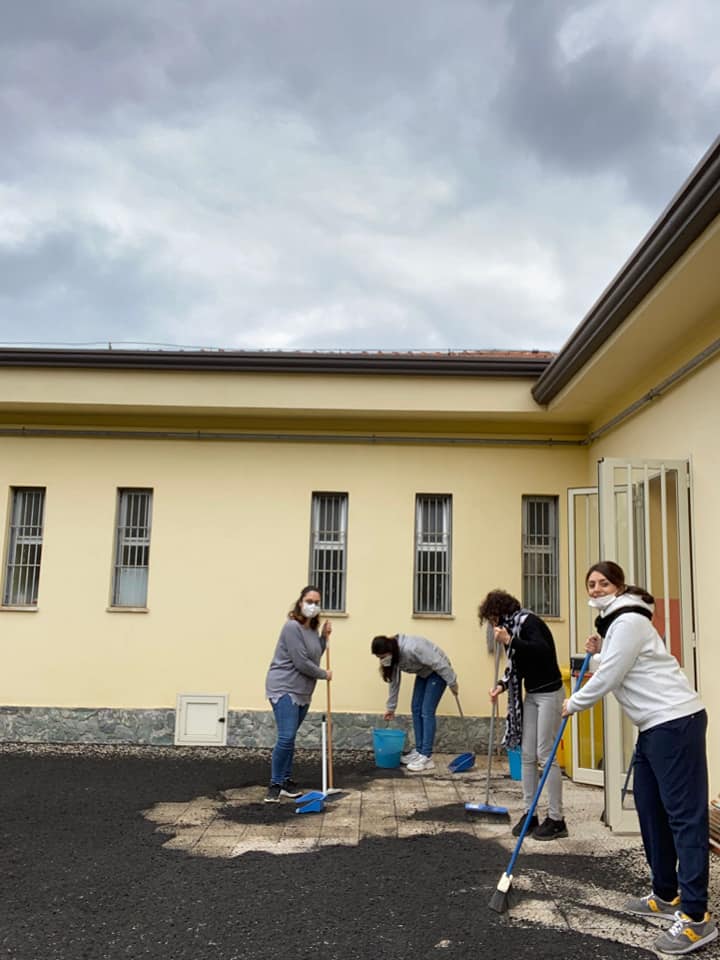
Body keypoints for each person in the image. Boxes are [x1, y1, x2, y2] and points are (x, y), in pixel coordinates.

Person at [562, 561, 715, 955]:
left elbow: (612, 675)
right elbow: (620, 665)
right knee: (650, 810)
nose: (595, 589)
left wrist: (573, 703)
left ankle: (698, 919)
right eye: (590, 584)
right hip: (653, 728)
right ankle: (666, 894)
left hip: (675, 722)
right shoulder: (617, 625)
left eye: (603, 583)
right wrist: (596, 655)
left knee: (684, 818)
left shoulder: (628, 621)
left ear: (619, 586)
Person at [478, 589, 567, 841]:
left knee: (545, 754)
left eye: (493, 619)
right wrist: (501, 685)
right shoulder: (513, 629)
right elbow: (515, 667)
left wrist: (510, 641)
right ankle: (530, 814)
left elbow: (541, 651)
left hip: (550, 693)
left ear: (501, 612)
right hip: (532, 695)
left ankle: (557, 818)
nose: (493, 625)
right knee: (527, 755)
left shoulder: (528, 623)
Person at [264, 585, 332, 803]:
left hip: (303, 690)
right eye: (309, 601)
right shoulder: (291, 627)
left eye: (316, 602)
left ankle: (285, 780)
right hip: (284, 687)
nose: (313, 605)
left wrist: (323, 637)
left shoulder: (311, 630)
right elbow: (301, 662)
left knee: (290, 737)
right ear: (300, 602)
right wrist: (324, 674)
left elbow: (314, 654)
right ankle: (275, 784)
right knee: (286, 736)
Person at [370, 634, 458, 772]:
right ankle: (419, 750)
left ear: (389, 650)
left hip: (438, 672)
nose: (382, 660)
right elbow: (394, 682)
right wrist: (391, 708)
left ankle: (426, 757)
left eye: (382, 657)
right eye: (379, 658)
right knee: (416, 708)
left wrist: (452, 682)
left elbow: (438, 662)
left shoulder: (412, 648)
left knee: (427, 711)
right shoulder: (394, 656)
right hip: (424, 673)